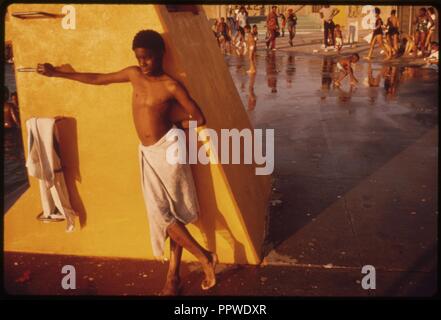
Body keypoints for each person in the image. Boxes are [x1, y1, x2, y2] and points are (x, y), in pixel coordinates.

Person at [37, 30, 217, 295]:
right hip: (147, 153)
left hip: (170, 151)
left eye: (147, 58)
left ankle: (199, 262)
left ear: (160, 55)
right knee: (165, 214)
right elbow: (99, 79)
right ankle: (176, 277)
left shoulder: (171, 86)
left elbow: (198, 117)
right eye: (139, 58)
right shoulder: (134, 75)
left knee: (167, 214)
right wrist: (58, 73)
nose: (142, 63)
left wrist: (172, 117)